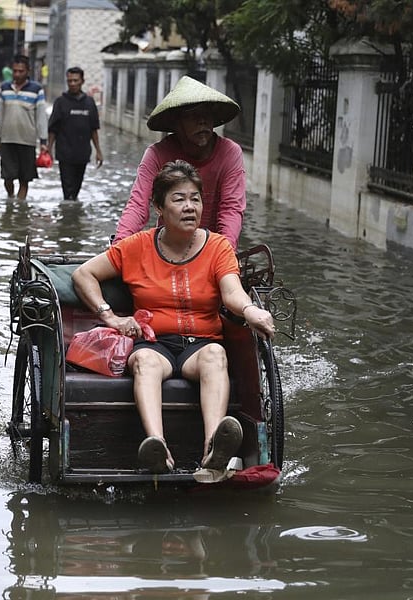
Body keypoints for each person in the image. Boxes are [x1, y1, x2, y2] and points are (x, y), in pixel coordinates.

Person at [72, 161, 276, 474]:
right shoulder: (137, 246)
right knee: (145, 364)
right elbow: (84, 274)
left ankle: (214, 452)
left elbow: (232, 292)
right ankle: (156, 446)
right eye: (179, 199)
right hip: (155, 344)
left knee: (216, 355)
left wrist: (250, 311)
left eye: (195, 199)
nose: (189, 207)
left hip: (201, 344)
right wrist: (110, 317)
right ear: (159, 207)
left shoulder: (218, 247)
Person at [113, 76, 246, 250]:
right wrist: (118, 247)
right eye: (193, 116)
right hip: (169, 246)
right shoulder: (157, 154)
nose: (202, 121)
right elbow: (138, 205)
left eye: (207, 114)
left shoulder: (229, 153)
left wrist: (225, 253)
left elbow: (231, 209)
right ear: (177, 123)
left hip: (212, 247)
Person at [47, 67, 104, 200]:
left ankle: (73, 213)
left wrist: (99, 151)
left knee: (76, 188)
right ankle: (68, 215)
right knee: (67, 190)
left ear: (82, 81)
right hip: (64, 153)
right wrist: (49, 149)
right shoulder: (60, 102)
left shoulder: (89, 103)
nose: (72, 83)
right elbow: (53, 129)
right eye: (69, 81)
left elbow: (94, 129)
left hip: (83, 153)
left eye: (75, 80)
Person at [0, 54, 48, 200]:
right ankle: (11, 198)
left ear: (28, 71)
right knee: (7, 176)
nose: (17, 74)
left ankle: (20, 205)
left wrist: (43, 142)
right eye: (15, 71)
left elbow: (41, 117)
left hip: (27, 140)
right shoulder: (5, 88)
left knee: (24, 178)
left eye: (21, 71)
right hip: (7, 139)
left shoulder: (36, 89)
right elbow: (0, 115)